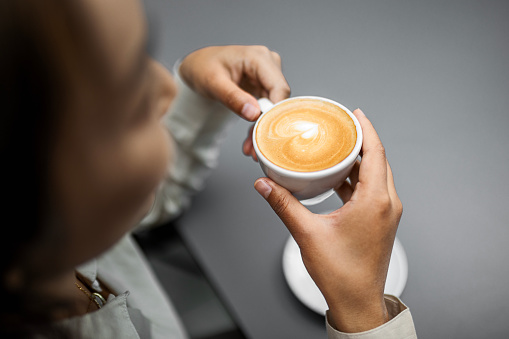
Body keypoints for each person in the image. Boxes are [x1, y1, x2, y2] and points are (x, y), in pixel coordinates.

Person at [0, 0, 417, 338]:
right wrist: (365, 317)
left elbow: (131, 201)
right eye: (128, 102)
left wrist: (198, 99)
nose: (167, 86)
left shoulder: (62, 238)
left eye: (146, 53)